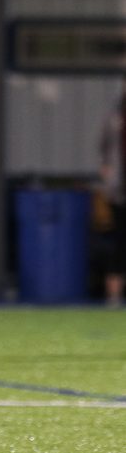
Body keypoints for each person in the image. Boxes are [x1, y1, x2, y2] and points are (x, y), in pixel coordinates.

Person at [96, 85, 126, 307]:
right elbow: (103, 150)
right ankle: (114, 296)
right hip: (118, 191)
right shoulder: (114, 120)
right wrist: (107, 172)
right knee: (119, 241)